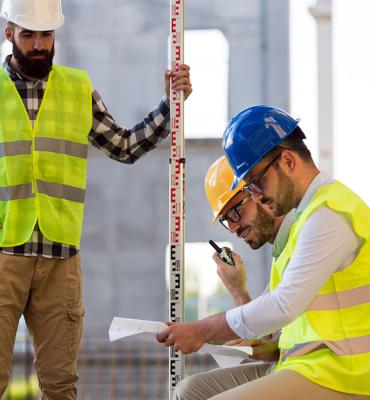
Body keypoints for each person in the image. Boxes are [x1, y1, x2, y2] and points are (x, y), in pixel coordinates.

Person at [0, 0, 192, 398]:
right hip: (3, 254)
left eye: (46, 35)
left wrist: (170, 105)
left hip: (61, 259)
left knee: (61, 385)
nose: (38, 44)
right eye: (28, 35)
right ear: (9, 35)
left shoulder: (77, 88)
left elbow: (124, 146)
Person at [157, 106, 370, 400]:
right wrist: (269, 339)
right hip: (307, 363)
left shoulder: (329, 215)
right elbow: (286, 322)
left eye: (256, 183)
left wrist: (202, 329)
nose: (257, 195)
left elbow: (283, 305)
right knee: (190, 391)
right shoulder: (305, 221)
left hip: (345, 373)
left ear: (287, 160)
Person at [172, 155, 295, 399]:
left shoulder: (305, 239)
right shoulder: (282, 250)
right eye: (227, 219)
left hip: (321, 368)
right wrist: (238, 289)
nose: (235, 227)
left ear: (260, 191)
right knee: (188, 391)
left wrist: (202, 330)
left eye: (236, 210)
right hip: (291, 362)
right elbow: (270, 334)